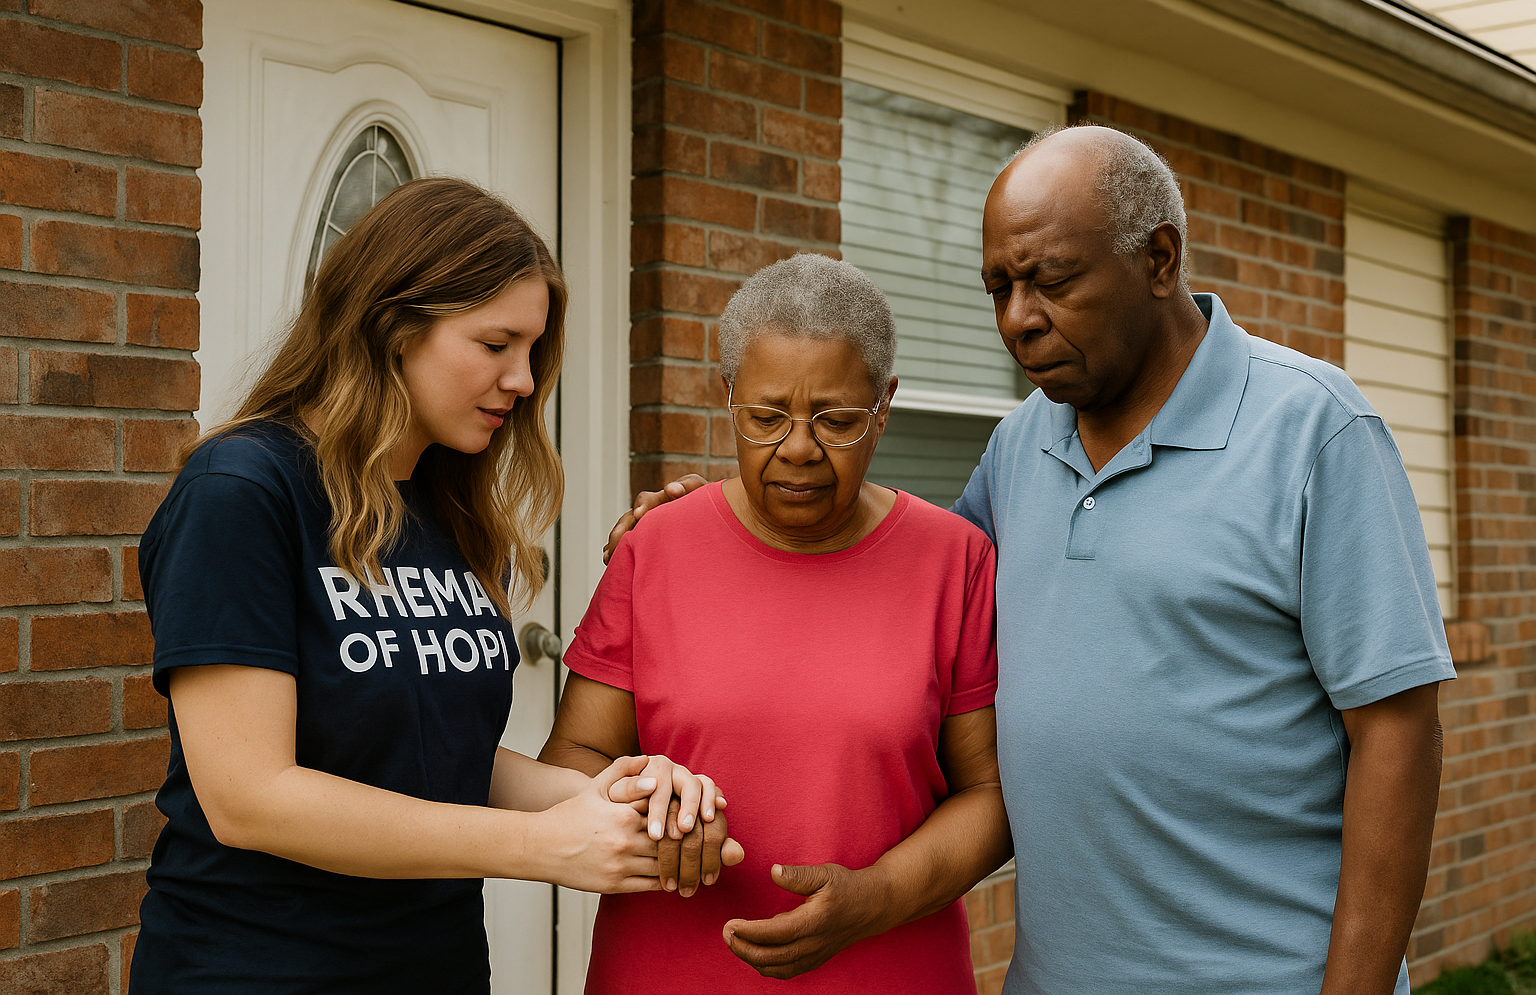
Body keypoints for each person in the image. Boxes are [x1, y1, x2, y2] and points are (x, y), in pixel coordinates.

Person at [610, 126, 1455, 995]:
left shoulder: (1313, 431)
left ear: (1160, 260)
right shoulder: (1022, 444)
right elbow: (893, 570)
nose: (1018, 319)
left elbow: (1398, 732)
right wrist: (717, 518)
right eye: (999, 288)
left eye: (1050, 280)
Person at [129, 177, 734, 995]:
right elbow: (251, 796)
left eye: (532, 351)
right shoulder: (242, 490)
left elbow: (434, 757)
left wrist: (611, 790)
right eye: (496, 345)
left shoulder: (441, 507)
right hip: (255, 970)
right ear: (392, 329)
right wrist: (540, 846)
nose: (523, 381)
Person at [540, 253, 1012, 992]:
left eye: (837, 419)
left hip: (890, 970)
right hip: (669, 972)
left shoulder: (953, 561)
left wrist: (877, 897)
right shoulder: (655, 549)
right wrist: (647, 802)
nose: (797, 446)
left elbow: (988, 794)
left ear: (884, 405)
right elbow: (573, 758)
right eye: (765, 417)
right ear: (727, 396)